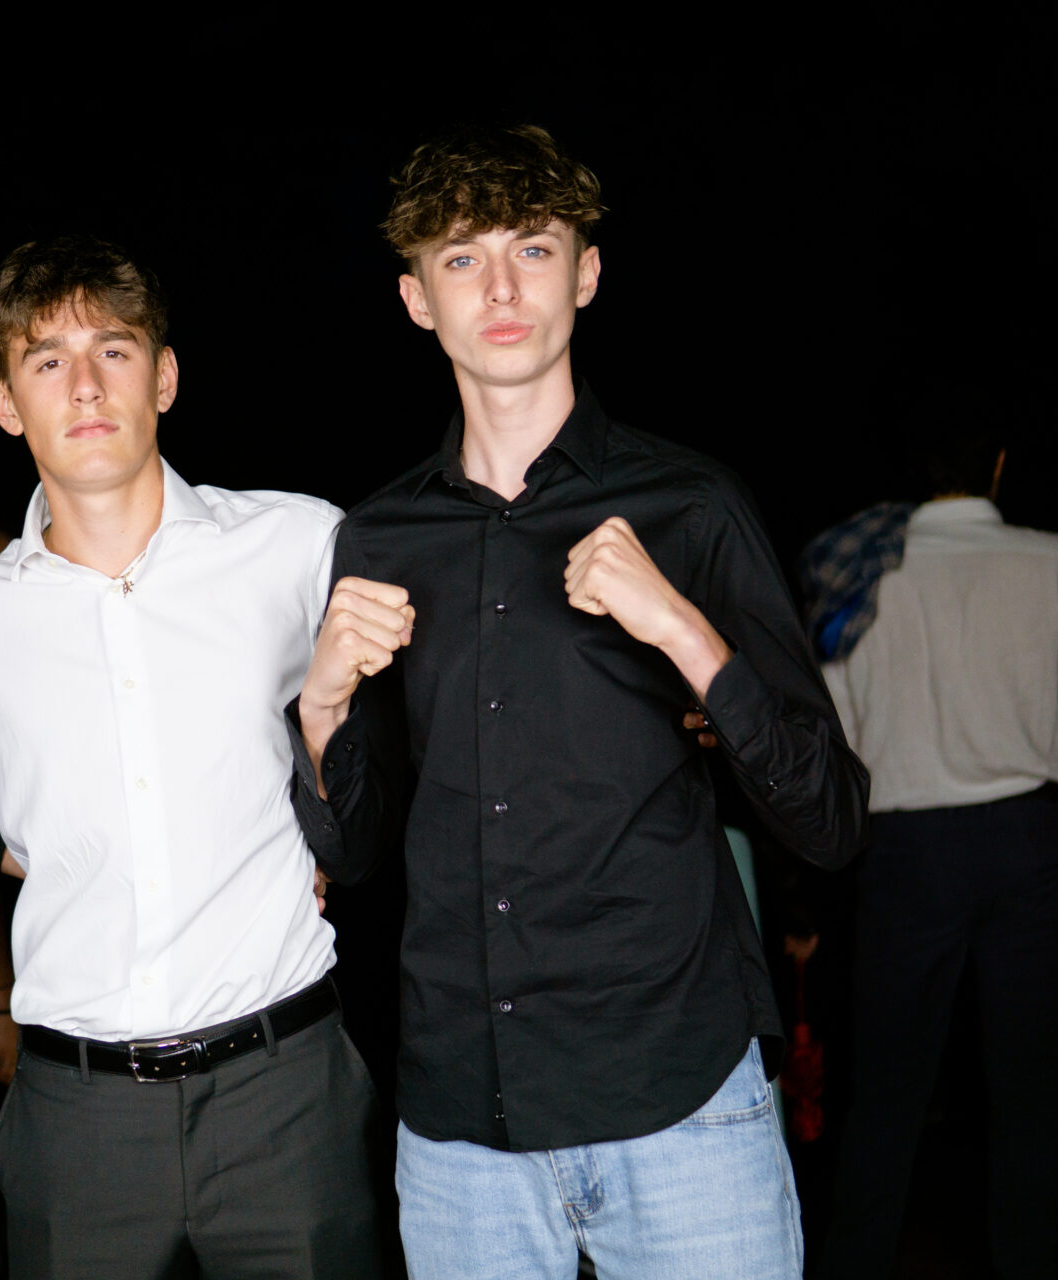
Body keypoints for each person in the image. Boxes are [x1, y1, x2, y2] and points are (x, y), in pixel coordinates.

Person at [290, 124, 870, 1278]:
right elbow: (354, 854)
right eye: (463, 258)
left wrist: (684, 629)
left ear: (586, 274)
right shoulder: (379, 537)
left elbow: (832, 821)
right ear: (417, 298)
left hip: (682, 1102)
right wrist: (319, 707)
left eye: (534, 249)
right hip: (465, 1128)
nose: (502, 288)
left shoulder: (690, 505)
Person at [0, 236, 387, 1279]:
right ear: (5, 402)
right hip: (74, 1118)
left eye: (115, 349)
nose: (85, 385)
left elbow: (402, 756)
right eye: (46, 359)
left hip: (287, 1093)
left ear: (165, 376)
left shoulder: (298, 545)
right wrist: (38, 845)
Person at [813, 424, 1058, 1278]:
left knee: (886, 1094)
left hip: (910, 848)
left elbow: (840, 724)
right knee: (1028, 1087)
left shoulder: (861, 571)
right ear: (999, 463)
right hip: (1034, 840)